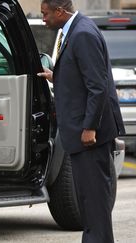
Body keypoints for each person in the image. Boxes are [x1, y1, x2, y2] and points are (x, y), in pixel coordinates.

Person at [37, 1, 125, 242]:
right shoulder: (76, 29)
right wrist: (57, 77)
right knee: (88, 199)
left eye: (45, 14)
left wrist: (90, 127)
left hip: (90, 136)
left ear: (59, 11)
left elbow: (97, 86)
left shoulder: (83, 33)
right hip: (81, 133)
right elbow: (83, 77)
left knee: (94, 199)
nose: (43, 18)